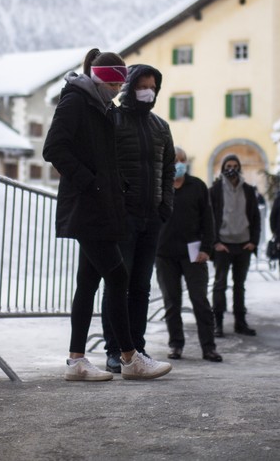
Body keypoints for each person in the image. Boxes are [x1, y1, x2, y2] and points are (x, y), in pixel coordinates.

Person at [43, 49, 172, 382]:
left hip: (100, 205)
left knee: (88, 283)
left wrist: (116, 184)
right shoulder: (76, 101)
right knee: (118, 279)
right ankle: (129, 357)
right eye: (115, 83)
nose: (118, 90)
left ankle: (77, 361)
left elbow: (104, 157)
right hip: (88, 206)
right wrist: (93, 183)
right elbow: (53, 148)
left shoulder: (98, 105)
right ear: (104, 79)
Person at [100, 64, 175, 374]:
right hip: (122, 218)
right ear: (129, 86)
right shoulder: (113, 120)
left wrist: (165, 206)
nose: (149, 91)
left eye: (153, 86)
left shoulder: (160, 126)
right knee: (118, 284)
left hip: (151, 218)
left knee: (142, 287)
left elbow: (169, 169)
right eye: (143, 84)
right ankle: (115, 349)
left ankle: (138, 348)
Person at [155, 147, 222, 362]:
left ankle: (209, 347)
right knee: (171, 302)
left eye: (182, 160)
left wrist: (207, 249)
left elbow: (208, 220)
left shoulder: (198, 186)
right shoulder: (159, 187)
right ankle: (176, 344)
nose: (179, 164)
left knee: (200, 300)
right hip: (164, 254)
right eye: (175, 160)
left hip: (193, 253)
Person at [210, 154, 261, 337]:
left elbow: (256, 217)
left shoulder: (248, 190)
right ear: (223, 168)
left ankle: (240, 322)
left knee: (240, 285)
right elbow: (209, 218)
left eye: (235, 165)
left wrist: (253, 241)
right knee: (220, 285)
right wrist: (215, 242)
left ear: (240, 168)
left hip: (243, 245)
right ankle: (218, 323)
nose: (231, 168)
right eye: (228, 165)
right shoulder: (215, 190)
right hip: (223, 245)